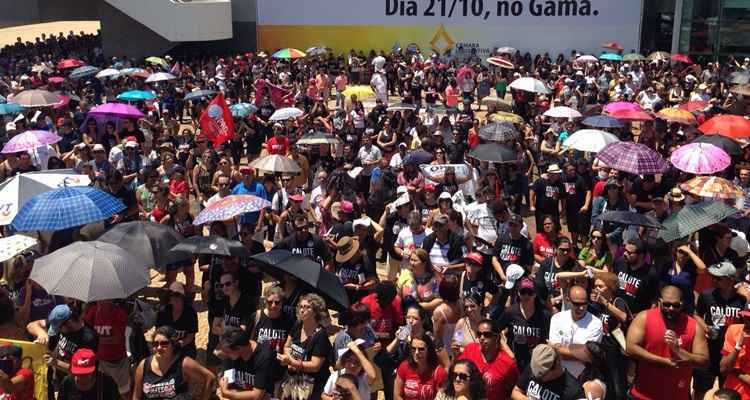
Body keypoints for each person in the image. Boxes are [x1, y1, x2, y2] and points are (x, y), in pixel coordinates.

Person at [626, 285, 709, 400]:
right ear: (660, 302)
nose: (671, 308)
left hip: (677, 395)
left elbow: (703, 361)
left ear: (682, 304)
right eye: (666, 304)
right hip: (643, 395)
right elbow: (630, 348)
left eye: (676, 305)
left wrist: (679, 350)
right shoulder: (644, 317)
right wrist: (662, 361)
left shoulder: (693, 326)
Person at [694, 262, 747, 400]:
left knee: (726, 393)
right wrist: (705, 327)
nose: (714, 280)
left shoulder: (741, 299)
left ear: (730, 279)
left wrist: (747, 297)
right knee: (701, 390)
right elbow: (696, 314)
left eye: (718, 278)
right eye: (714, 277)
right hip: (710, 351)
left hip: (731, 354)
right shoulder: (707, 295)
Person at [26, 304, 99, 400]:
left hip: (77, 386)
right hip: (59, 381)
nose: (57, 332)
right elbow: (31, 325)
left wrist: (56, 363)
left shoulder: (88, 338)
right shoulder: (61, 322)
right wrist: (42, 333)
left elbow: (83, 372)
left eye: (59, 328)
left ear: (69, 323)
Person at [277, 294, 332, 400]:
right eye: (301, 307)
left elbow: (315, 366)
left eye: (307, 307)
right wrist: (290, 359)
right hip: (294, 382)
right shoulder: (297, 325)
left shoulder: (320, 335)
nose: (302, 310)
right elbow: (287, 346)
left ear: (316, 311)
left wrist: (292, 362)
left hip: (312, 387)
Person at [498, 278, 551, 374]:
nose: (526, 295)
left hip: (535, 364)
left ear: (535, 294)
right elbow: (495, 331)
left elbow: (548, 340)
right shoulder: (510, 312)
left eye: (530, 292)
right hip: (513, 362)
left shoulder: (544, 315)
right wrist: (507, 351)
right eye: (523, 292)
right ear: (518, 293)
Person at [458, 319, 519, 400]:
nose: (482, 338)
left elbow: (515, 390)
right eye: (479, 334)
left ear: (496, 337)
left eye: (487, 335)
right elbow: (457, 372)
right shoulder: (470, 349)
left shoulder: (508, 363)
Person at [82, 300, 131, 399]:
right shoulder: (94, 310)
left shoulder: (119, 313)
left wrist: (95, 339)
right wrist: (85, 309)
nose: (101, 301)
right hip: (101, 361)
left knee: (124, 392)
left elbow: (117, 339)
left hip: (117, 361)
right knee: (103, 390)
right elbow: (84, 325)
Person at [218, 327, 277, 400]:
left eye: (227, 352)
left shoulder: (263, 358)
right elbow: (227, 381)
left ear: (239, 348)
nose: (225, 354)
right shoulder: (232, 354)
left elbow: (257, 396)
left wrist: (227, 393)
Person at [512, 344, 585, 400]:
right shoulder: (536, 366)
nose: (537, 377)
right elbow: (516, 391)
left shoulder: (574, 391)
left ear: (557, 363)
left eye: (542, 374)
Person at [611, 239, 660, 314]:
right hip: (615, 310)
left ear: (641, 255)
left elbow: (654, 302)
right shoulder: (620, 263)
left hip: (635, 317)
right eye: (625, 250)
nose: (625, 253)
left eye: (629, 252)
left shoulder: (651, 274)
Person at [394, 332, 447, 400]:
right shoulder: (404, 366)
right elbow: (396, 395)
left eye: (421, 349)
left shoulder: (439, 372)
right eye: (413, 349)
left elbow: (441, 397)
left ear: (429, 350)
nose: (416, 353)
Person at [155, 282, 199, 359]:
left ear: (183, 298)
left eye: (178, 296)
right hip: (166, 347)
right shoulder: (163, 312)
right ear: (169, 299)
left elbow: (190, 336)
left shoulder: (190, 313)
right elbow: (158, 332)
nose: (175, 299)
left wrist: (179, 344)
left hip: (186, 349)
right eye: (172, 296)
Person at [250, 285, 295, 354]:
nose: (273, 305)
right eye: (270, 302)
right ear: (265, 301)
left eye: (277, 302)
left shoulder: (288, 320)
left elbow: (289, 344)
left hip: (278, 362)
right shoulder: (257, 316)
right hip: (258, 362)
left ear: (282, 302)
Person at [720, 305, 750, 400]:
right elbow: (723, 369)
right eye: (746, 316)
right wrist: (738, 346)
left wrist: (735, 372)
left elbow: (729, 369)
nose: (747, 321)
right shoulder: (733, 330)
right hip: (732, 394)